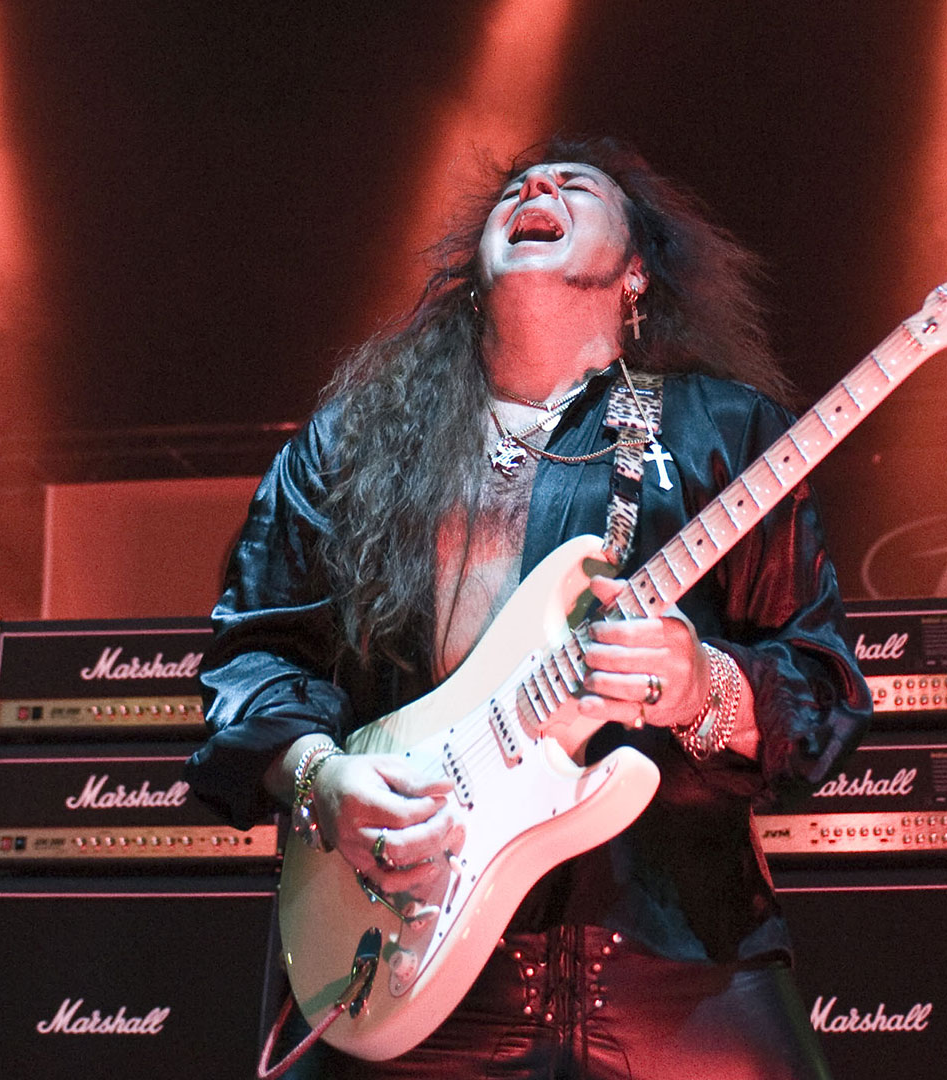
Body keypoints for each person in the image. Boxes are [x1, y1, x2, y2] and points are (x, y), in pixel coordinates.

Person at [186, 135, 870, 1079]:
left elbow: (823, 684)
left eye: (577, 185)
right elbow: (254, 652)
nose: (537, 186)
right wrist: (319, 778)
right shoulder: (354, 441)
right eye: (516, 187)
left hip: (680, 968)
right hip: (406, 957)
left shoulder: (728, 431)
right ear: (475, 271)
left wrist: (703, 683)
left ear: (636, 271)